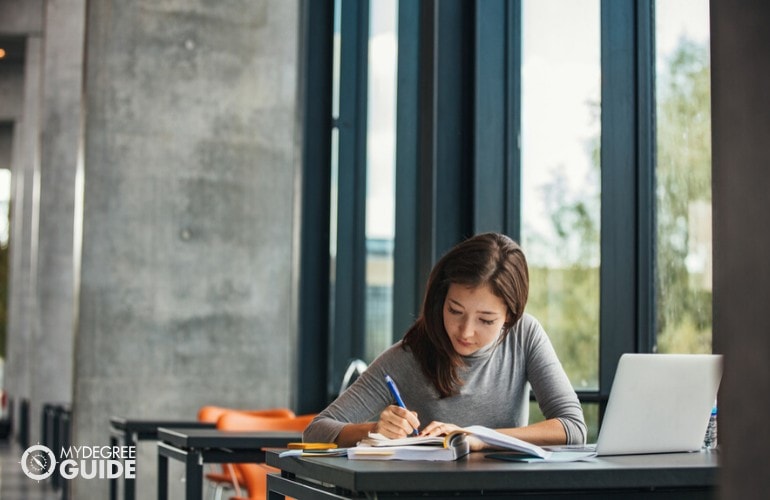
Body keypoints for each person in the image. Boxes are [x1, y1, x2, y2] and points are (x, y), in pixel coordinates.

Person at [303, 232, 586, 450]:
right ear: (441, 299)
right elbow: (315, 431)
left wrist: (477, 437)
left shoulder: (524, 335)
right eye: (454, 311)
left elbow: (572, 428)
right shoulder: (409, 356)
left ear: (510, 317)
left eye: (485, 320)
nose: (465, 332)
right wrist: (374, 429)